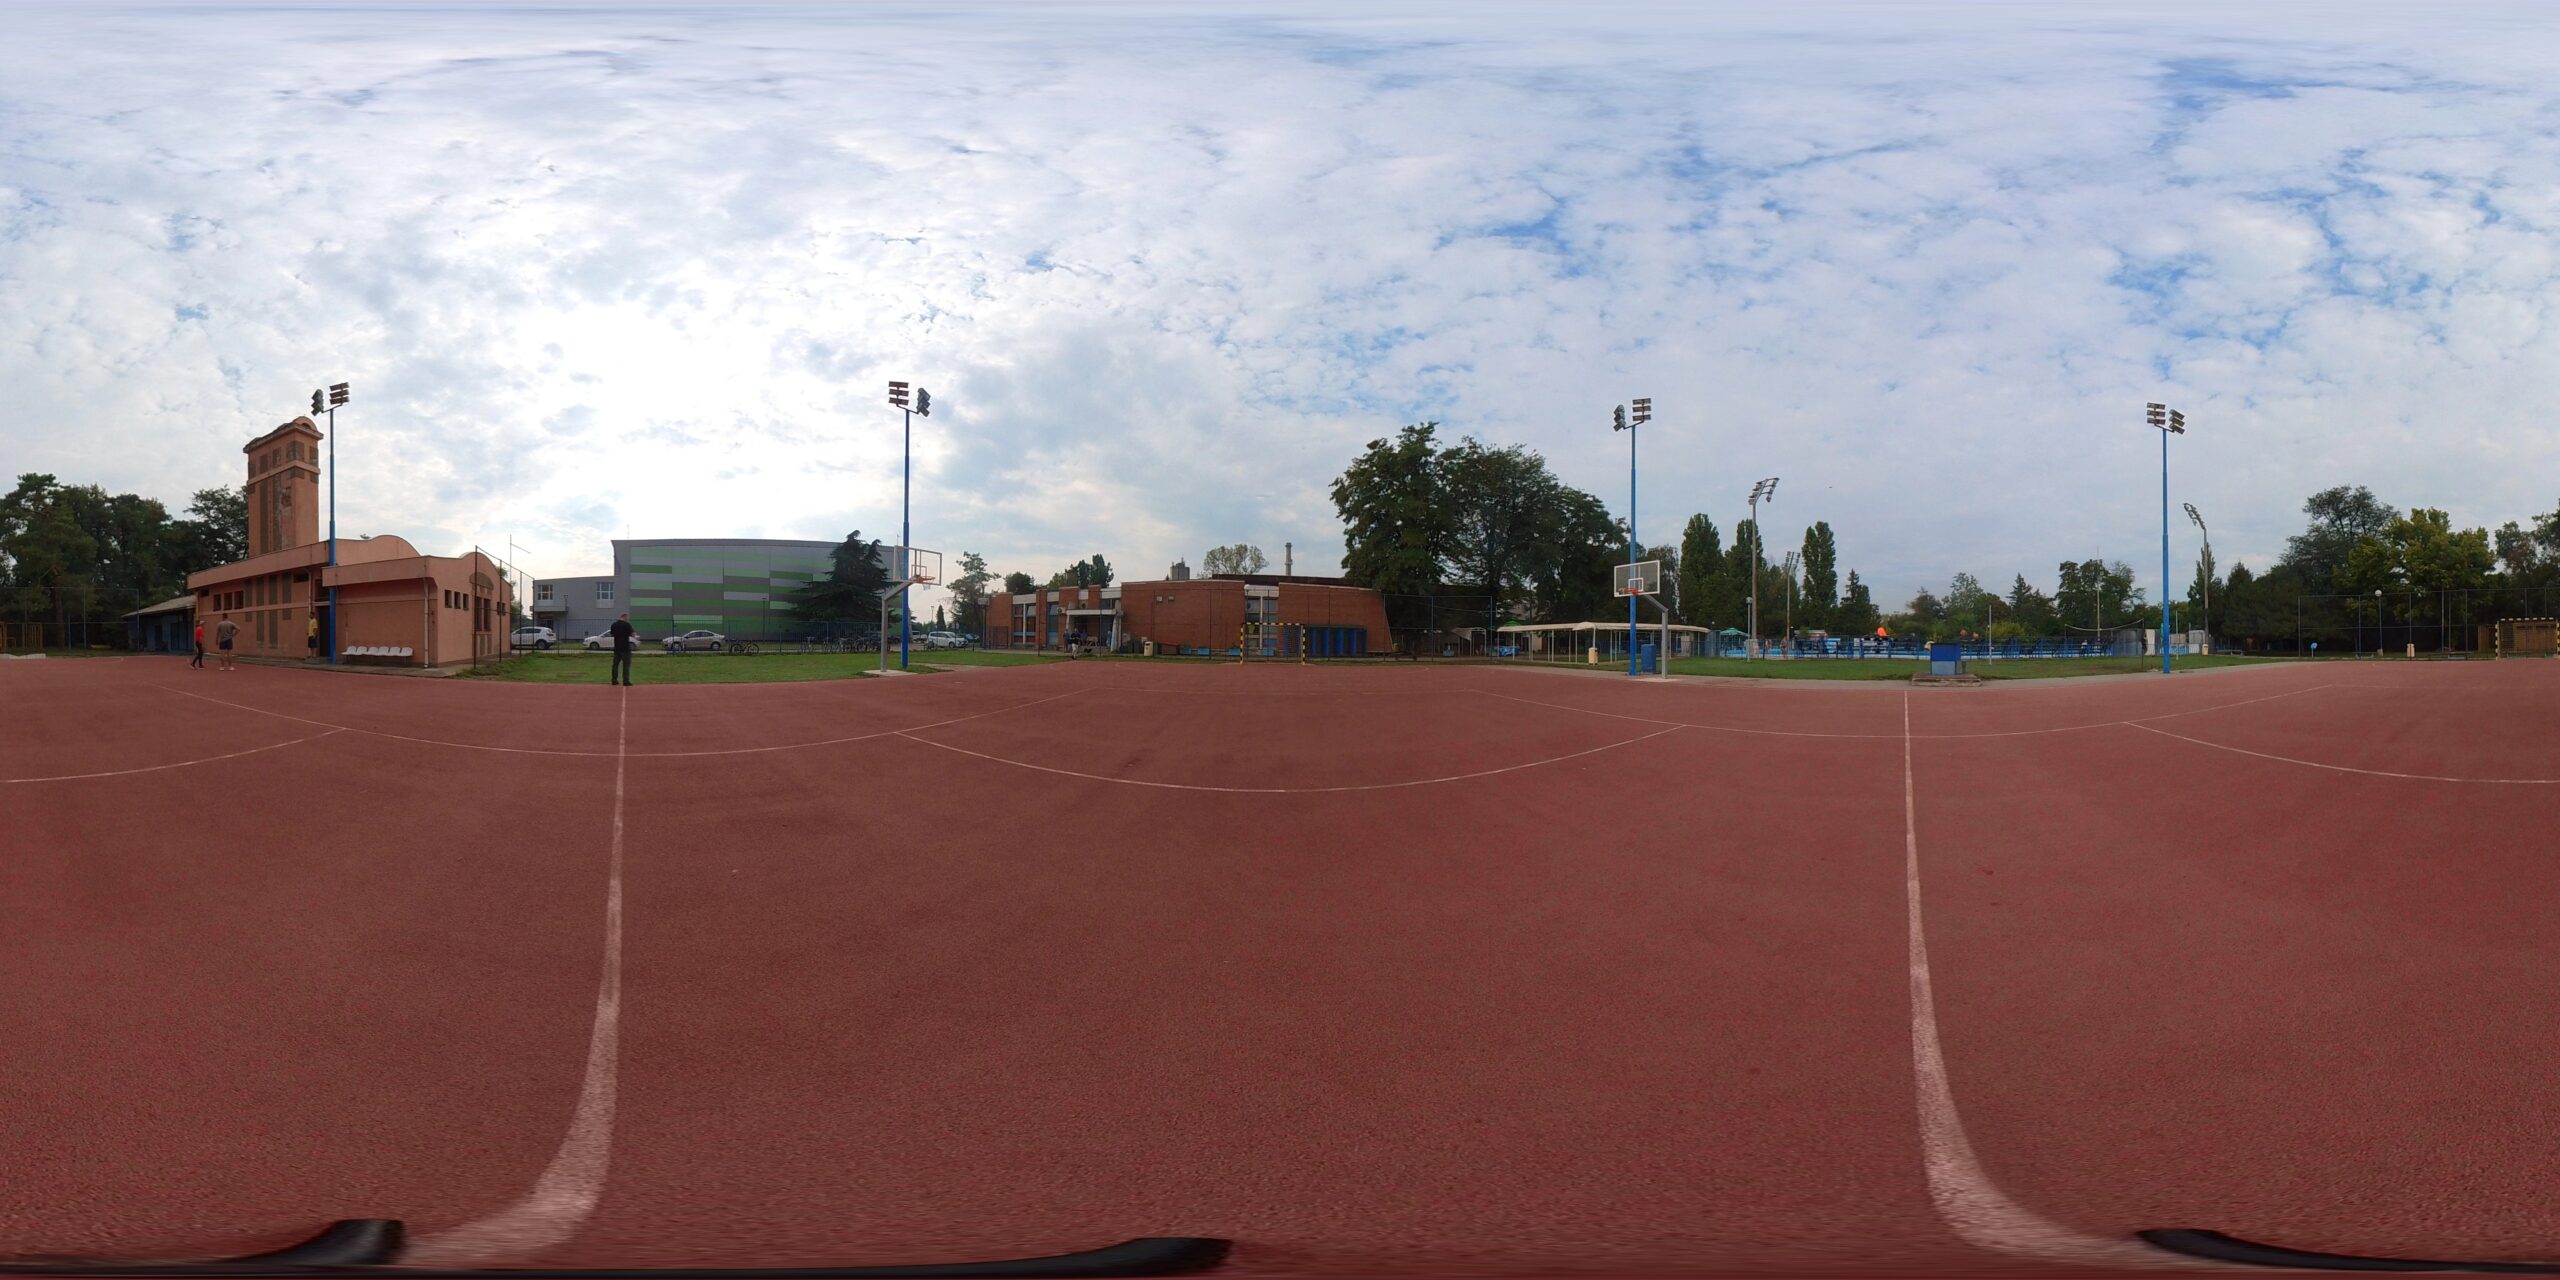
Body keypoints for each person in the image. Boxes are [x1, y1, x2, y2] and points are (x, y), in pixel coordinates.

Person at [608, 612, 635, 686]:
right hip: (625, 648)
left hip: (617, 647)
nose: (628, 619)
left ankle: (614, 680)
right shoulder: (627, 625)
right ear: (625, 617)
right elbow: (632, 634)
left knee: (615, 665)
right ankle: (626, 681)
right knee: (626, 665)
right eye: (628, 618)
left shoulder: (614, 625)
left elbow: (612, 634)